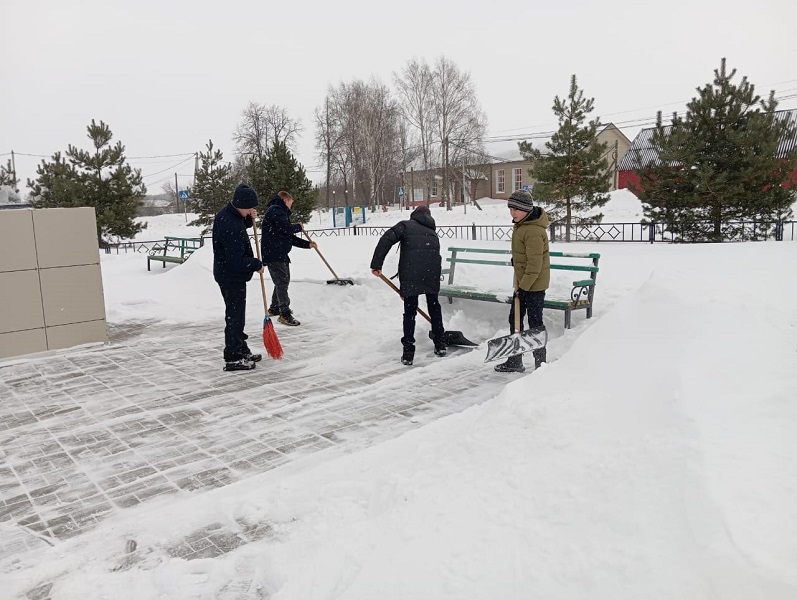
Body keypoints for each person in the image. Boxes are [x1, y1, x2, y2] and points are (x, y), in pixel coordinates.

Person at [370, 205, 446, 366]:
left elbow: (386, 239)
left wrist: (377, 264)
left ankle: (408, 352)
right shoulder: (433, 233)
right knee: (434, 307)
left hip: (411, 274)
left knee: (410, 311)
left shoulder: (405, 225)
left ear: (415, 215)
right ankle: (440, 343)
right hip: (431, 274)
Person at [495, 189, 550, 373]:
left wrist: (524, 288)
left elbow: (535, 265)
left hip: (533, 286)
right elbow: (526, 257)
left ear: (526, 209)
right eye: (511, 209)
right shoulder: (521, 226)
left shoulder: (533, 231)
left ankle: (540, 364)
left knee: (535, 324)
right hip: (523, 284)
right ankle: (515, 360)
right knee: (515, 320)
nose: (513, 213)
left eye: (516, 209)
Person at [212, 183, 264, 372]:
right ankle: (233, 357)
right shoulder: (229, 225)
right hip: (230, 276)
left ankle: (241, 349)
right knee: (234, 318)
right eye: (250, 207)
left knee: (237, 316)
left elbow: (238, 224)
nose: (252, 210)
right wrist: (255, 264)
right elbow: (235, 260)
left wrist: (249, 220)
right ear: (241, 204)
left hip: (228, 274)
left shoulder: (229, 214)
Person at [260, 190, 317, 326]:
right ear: (285, 201)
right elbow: (287, 229)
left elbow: (288, 237)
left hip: (278, 252)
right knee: (282, 281)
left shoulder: (279, 212)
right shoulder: (276, 210)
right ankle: (284, 314)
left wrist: (307, 244)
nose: (291, 206)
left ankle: (275, 308)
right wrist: (298, 226)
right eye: (291, 203)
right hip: (274, 253)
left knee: (282, 281)